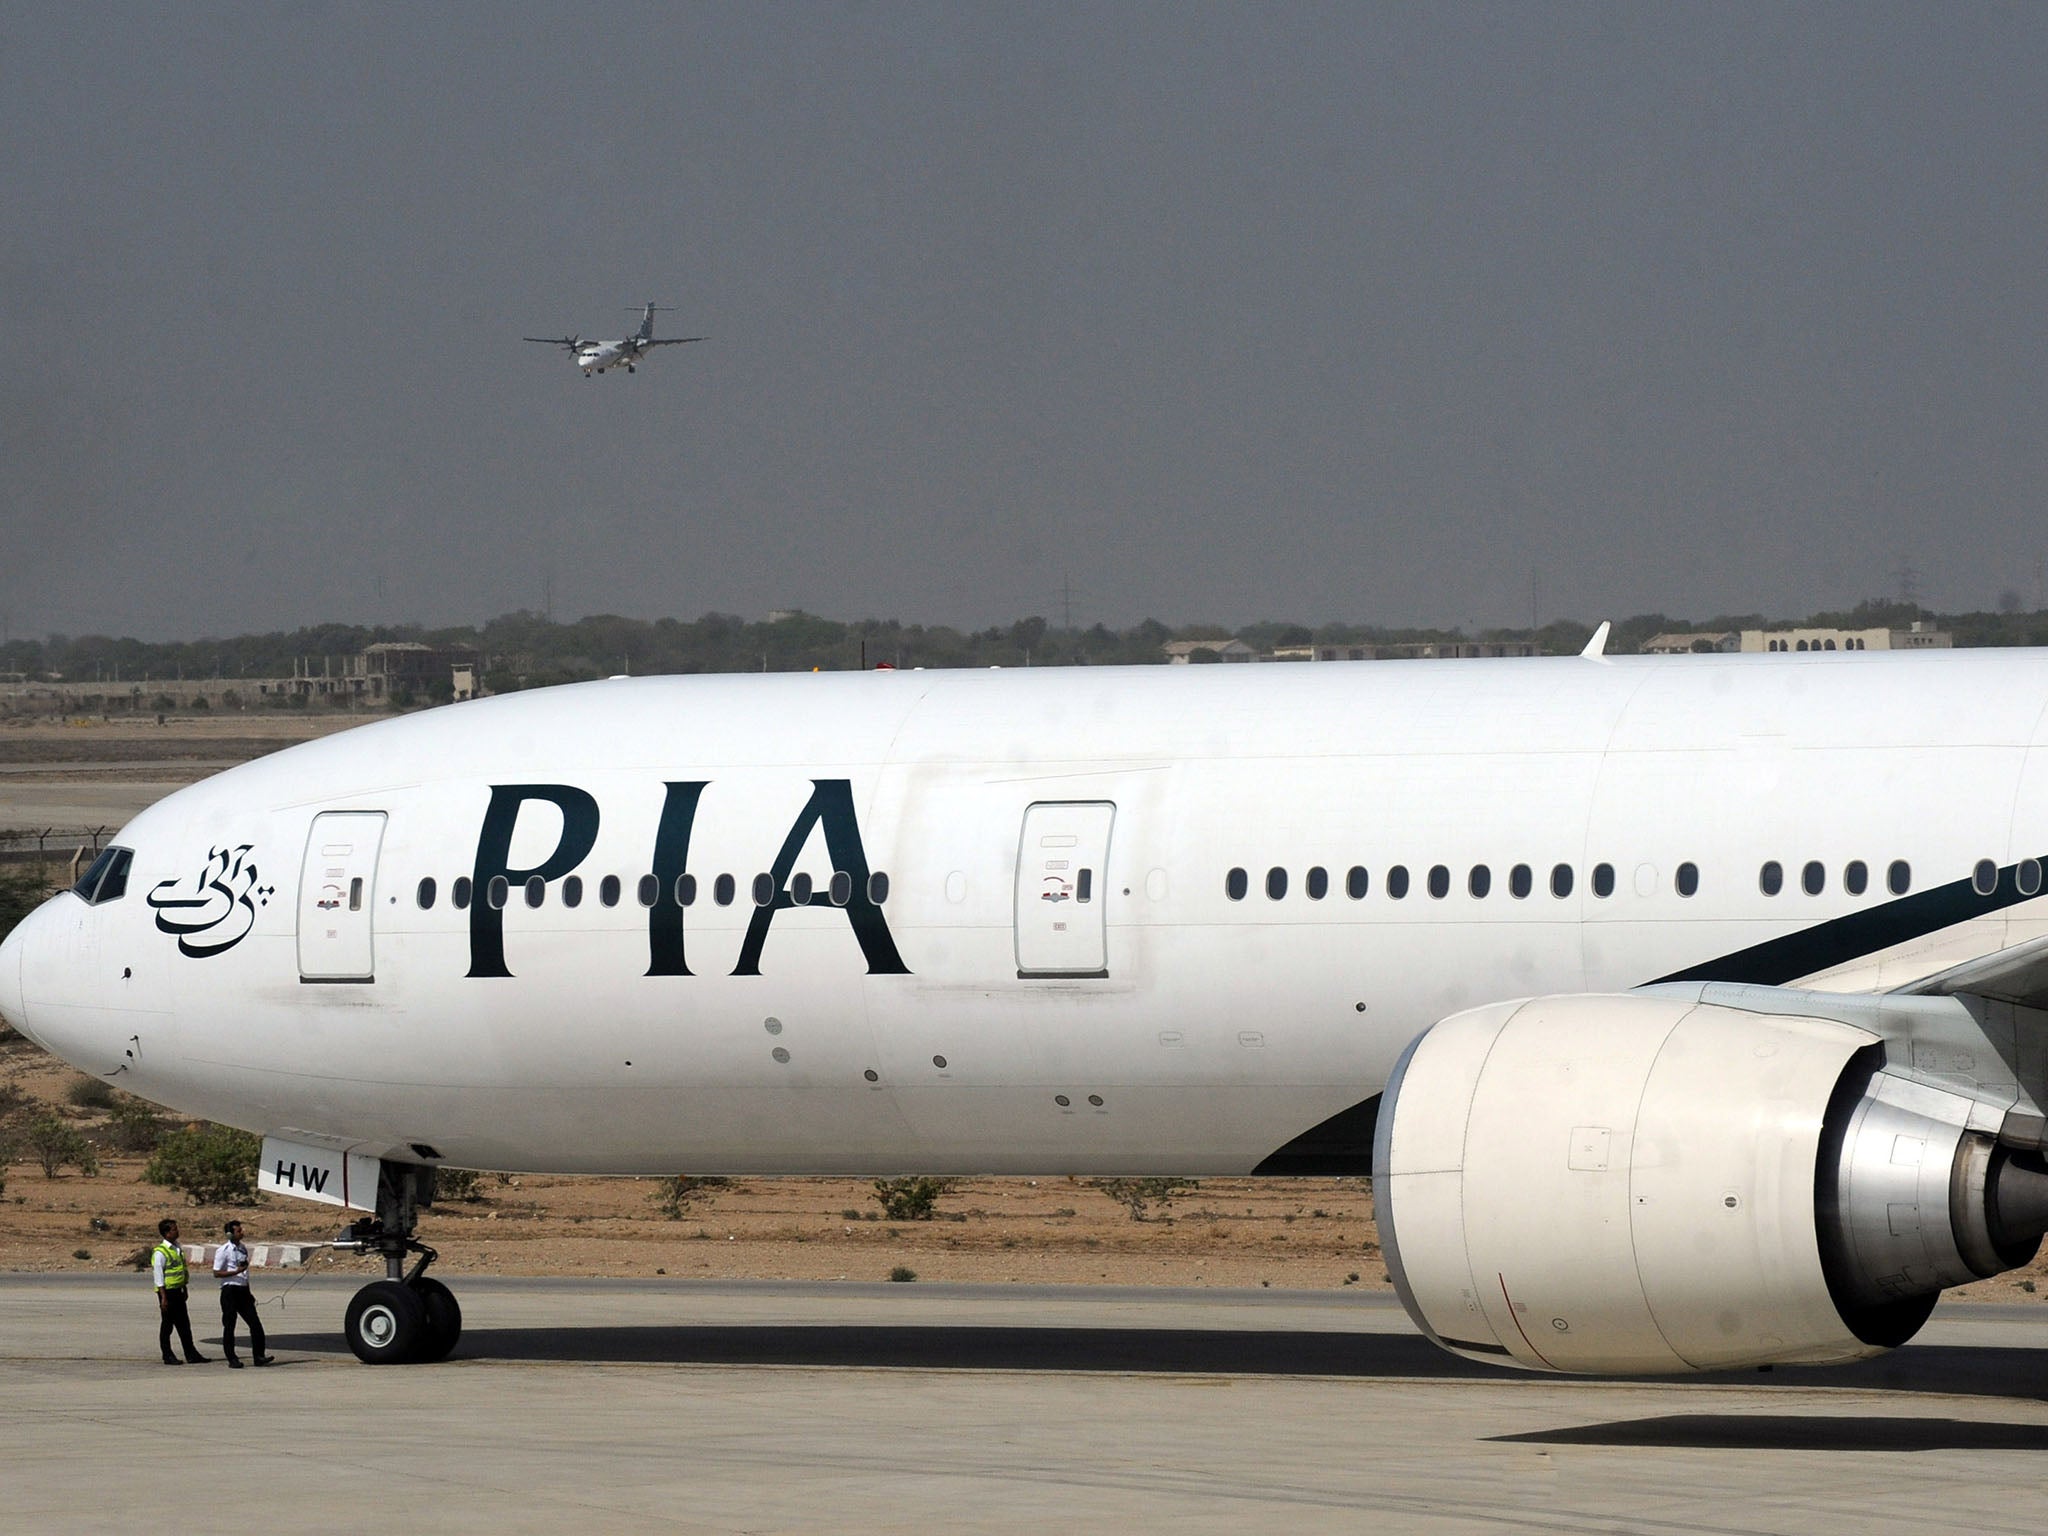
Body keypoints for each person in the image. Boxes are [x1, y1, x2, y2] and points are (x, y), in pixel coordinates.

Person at [212, 1219, 274, 1367]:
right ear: (229, 1234)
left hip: (243, 1290)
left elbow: (245, 1272)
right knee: (230, 1325)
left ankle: (259, 1356)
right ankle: (232, 1358)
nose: (242, 1233)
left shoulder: (242, 1248)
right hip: (230, 1290)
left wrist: (248, 1290)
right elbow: (216, 1273)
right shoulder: (223, 1251)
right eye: (238, 1231)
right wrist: (235, 1272)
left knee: (255, 1324)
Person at [151, 1217, 207, 1364]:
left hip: (178, 1291)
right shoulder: (160, 1252)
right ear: (167, 1233)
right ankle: (167, 1355)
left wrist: (184, 1287)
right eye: (174, 1229)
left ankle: (191, 1354)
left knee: (184, 1325)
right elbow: (159, 1277)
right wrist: (163, 1297)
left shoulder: (176, 1248)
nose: (177, 1231)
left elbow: (181, 1270)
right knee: (167, 1325)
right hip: (167, 1293)